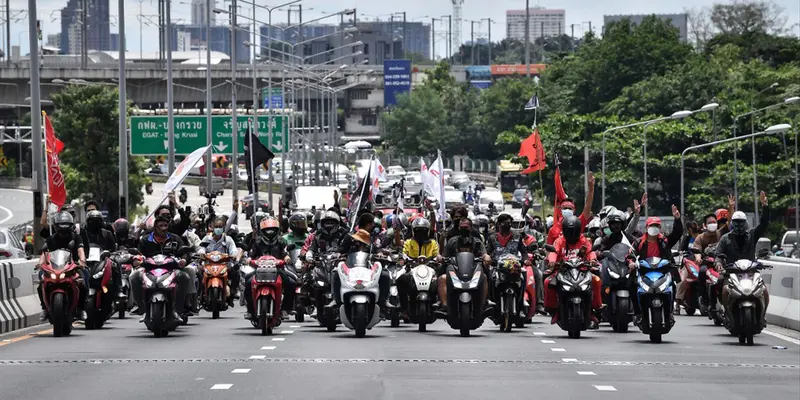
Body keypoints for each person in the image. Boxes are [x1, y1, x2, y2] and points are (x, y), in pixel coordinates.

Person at [716, 192, 770, 327]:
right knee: (723, 289)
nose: (739, 225)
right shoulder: (725, 238)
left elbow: (763, 224)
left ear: (745, 223)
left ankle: (762, 316)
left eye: (741, 222)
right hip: (731, 272)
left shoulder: (752, 235)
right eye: (736, 222)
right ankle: (727, 312)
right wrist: (719, 264)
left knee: (764, 290)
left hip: (750, 272)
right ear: (732, 223)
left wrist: (765, 207)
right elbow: (718, 254)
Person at [132, 206, 190, 321]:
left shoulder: (175, 238)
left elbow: (184, 252)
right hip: (148, 269)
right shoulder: (145, 239)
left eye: (165, 226)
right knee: (133, 276)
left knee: (185, 277)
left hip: (171, 269)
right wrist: (136, 259)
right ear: (154, 227)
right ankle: (142, 308)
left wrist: (184, 259)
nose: (163, 228)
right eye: (160, 226)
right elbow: (138, 252)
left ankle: (178, 309)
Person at [544, 216, 603, 329]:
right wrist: (551, 262)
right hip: (562, 271)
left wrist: (593, 260)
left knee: (596, 280)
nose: (571, 234)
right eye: (569, 231)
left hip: (582, 271)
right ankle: (554, 310)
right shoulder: (560, 241)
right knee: (548, 282)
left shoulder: (583, 240)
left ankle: (594, 309)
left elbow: (590, 252)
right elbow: (554, 252)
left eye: (574, 231)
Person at [631, 205, 684, 325]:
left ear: (660, 228)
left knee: (673, 287)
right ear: (647, 227)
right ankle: (638, 313)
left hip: (663, 272)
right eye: (651, 226)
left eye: (656, 226)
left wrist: (677, 219)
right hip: (644, 272)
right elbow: (631, 254)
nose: (654, 228)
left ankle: (669, 313)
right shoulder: (639, 242)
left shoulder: (665, 240)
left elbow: (677, 233)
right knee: (632, 286)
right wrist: (631, 263)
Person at [38, 211, 87, 322]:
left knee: (83, 284)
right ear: (56, 226)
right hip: (53, 268)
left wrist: (82, 261)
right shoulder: (50, 239)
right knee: (41, 282)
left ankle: (81, 309)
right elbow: (44, 253)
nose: (63, 230)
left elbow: (81, 251)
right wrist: (40, 264)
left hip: (72, 267)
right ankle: (45, 308)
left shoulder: (76, 237)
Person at [438, 218, 492, 314]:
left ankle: (484, 304)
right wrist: (440, 258)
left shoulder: (477, 242)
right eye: (461, 227)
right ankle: (444, 305)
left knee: (484, 277)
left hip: (473, 271)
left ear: (471, 228)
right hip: (455, 270)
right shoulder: (452, 241)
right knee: (442, 278)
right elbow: (444, 256)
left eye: (466, 227)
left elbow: (484, 254)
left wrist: (486, 257)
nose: (463, 229)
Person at [247, 217, 296, 318]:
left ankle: (285, 309)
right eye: (267, 230)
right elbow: (251, 254)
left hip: (277, 270)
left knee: (291, 283)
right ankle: (251, 310)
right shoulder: (257, 241)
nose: (270, 232)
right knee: (248, 282)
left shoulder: (281, 241)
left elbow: (284, 252)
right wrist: (248, 259)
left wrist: (286, 258)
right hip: (259, 270)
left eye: (272, 229)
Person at [199, 217, 242, 306]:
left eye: (220, 226)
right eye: (216, 226)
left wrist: (233, 255)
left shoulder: (228, 239)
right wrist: (202, 253)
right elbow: (201, 248)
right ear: (212, 227)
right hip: (208, 265)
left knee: (236, 273)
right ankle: (200, 296)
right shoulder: (207, 239)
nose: (218, 228)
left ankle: (232, 294)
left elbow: (233, 250)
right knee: (198, 273)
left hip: (225, 265)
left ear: (224, 227)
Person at [83, 210, 125, 300]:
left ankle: (119, 290)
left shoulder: (107, 233)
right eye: (91, 221)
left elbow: (113, 249)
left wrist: (108, 253)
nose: (94, 223)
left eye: (97, 221)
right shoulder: (82, 233)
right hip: (85, 259)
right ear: (87, 221)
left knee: (116, 262)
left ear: (101, 221)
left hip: (103, 259)